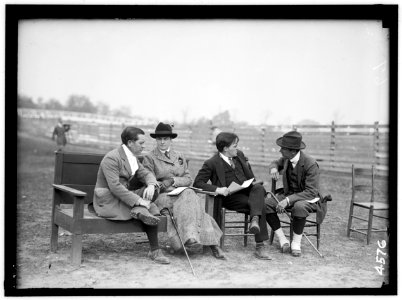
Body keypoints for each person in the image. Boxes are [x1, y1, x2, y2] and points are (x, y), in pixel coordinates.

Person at [142, 122, 225, 260]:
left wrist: (173, 180)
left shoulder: (179, 156)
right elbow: (148, 179)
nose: (162, 142)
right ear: (156, 140)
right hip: (162, 197)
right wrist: (162, 184)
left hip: (181, 194)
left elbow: (188, 179)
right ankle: (210, 243)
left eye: (166, 139)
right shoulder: (149, 158)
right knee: (192, 198)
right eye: (159, 139)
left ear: (171, 140)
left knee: (189, 195)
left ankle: (192, 240)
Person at [92, 126, 170, 264]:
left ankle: (140, 210)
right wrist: (139, 200)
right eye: (141, 143)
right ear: (129, 143)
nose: (143, 146)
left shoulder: (132, 157)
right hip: (110, 199)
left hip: (125, 197)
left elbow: (145, 173)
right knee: (149, 209)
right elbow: (115, 187)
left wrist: (151, 184)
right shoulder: (112, 158)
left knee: (155, 189)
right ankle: (155, 251)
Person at [194, 132, 272, 260]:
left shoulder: (239, 155)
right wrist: (218, 189)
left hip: (248, 191)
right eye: (234, 146)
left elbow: (249, 175)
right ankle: (260, 245)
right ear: (225, 148)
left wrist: (249, 182)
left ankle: (254, 220)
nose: (237, 148)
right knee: (259, 204)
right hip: (230, 197)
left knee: (259, 188)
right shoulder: (211, 163)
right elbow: (197, 183)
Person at [266, 131, 326, 257]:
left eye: (283, 148)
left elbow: (311, 192)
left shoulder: (310, 164)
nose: (280, 151)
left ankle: (296, 243)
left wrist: (287, 200)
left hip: (309, 198)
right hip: (290, 194)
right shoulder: (287, 159)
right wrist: (273, 168)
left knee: (299, 206)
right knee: (266, 203)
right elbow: (275, 162)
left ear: (293, 151)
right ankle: (283, 240)